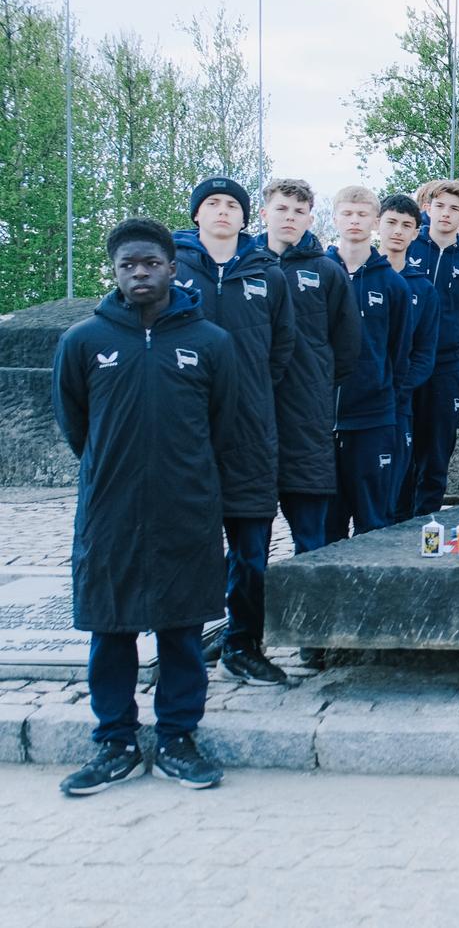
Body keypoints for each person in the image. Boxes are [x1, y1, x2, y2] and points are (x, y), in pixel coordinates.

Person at [54, 219, 238, 794]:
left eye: (150, 263)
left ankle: (179, 737)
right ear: (113, 272)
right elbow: (77, 426)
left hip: (186, 507)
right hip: (110, 510)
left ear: (171, 267)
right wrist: (117, 469)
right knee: (110, 628)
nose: (139, 272)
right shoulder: (83, 341)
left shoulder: (211, 342)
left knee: (181, 628)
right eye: (127, 265)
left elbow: (225, 426)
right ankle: (115, 742)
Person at [174, 176, 295, 687]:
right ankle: (180, 646)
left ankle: (243, 642)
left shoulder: (268, 275)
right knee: (184, 544)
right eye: (212, 204)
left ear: (245, 218)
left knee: (251, 546)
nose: (222, 211)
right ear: (197, 215)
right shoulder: (172, 270)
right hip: (185, 433)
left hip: (249, 430)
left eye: (231, 205)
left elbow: (281, 349)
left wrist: (245, 399)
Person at [258, 178, 360, 554]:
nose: (290, 217)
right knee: (250, 538)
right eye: (282, 209)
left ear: (310, 219)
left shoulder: (327, 271)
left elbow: (347, 343)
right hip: (254, 410)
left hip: (307, 415)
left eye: (299, 212)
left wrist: (316, 382)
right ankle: (248, 613)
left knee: (310, 535)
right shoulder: (245, 268)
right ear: (265, 212)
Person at [327, 186, 410, 538]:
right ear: (335, 219)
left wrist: (383, 394)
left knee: (373, 522)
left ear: (375, 222)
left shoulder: (392, 284)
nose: (355, 221)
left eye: (362, 214)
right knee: (323, 526)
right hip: (321, 416)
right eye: (348, 213)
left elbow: (398, 352)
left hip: (373, 417)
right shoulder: (318, 275)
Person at [405, 180, 459, 515]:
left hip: (447, 367)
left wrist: (452, 348)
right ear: (428, 208)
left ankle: (424, 520)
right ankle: (395, 521)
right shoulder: (409, 248)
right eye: (440, 206)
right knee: (401, 448)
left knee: (438, 450)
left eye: (455, 208)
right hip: (405, 365)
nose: (446, 213)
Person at [377, 195, 437, 524]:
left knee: (394, 492)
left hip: (398, 403)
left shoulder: (423, 289)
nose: (398, 231)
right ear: (378, 224)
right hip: (355, 405)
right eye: (391, 222)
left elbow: (425, 353)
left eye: (406, 226)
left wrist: (397, 389)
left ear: (416, 233)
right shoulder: (350, 277)